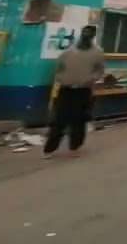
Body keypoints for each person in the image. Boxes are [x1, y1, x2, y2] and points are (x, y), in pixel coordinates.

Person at [45, 24, 106, 159]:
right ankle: (50, 149)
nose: (86, 34)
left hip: (83, 90)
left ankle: (74, 148)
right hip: (66, 90)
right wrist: (62, 79)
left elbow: (99, 71)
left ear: (93, 36)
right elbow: (58, 69)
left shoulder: (97, 53)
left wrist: (89, 80)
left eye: (89, 32)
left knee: (79, 121)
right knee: (59, 120)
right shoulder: (68, 52)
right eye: (84, 31)